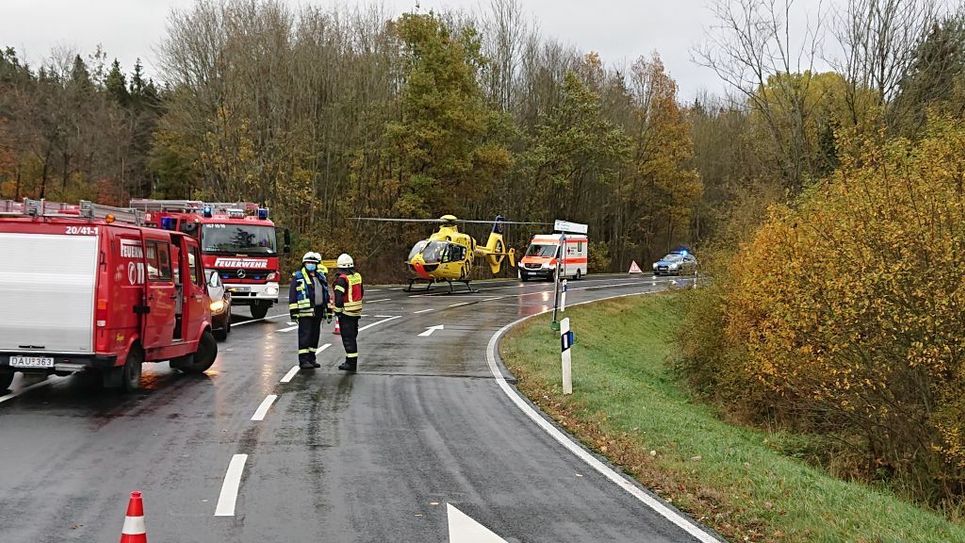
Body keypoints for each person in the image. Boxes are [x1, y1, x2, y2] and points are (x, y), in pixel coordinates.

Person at [288, 252, 330, 369]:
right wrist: (294, 312)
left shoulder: (320, 277)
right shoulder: (298, 277)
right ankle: (303, 360)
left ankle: (312, 358)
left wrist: (328, 311)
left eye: (313, 263)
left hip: (318, 310)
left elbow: (326, 294)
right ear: (304, 263)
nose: (311, 265)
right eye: (308, 263)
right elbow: (293, 295)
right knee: (305, 336)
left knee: (315, 335)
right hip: (305, 312)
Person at [332, 253, 363, 372]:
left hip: (347, 313)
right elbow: (361, 291)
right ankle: (350, 361)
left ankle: (351, 363)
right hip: (356, 312)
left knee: (348, 338)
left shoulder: (341, 279)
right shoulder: (357, 276)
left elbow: (339, 298)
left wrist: (338, 312)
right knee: (353, 337)